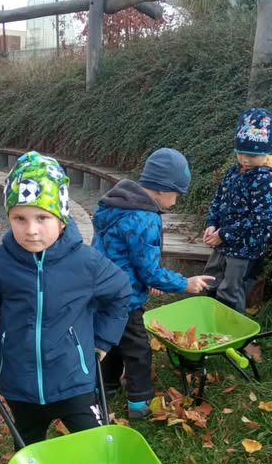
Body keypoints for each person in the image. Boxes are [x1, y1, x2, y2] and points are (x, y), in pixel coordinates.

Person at [0, 151, 132, 445]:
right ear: (9, 217)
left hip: (74, 379)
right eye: (19, 218)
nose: (31, 230)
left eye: (42, 217)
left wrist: (103, 338)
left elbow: (120, 292)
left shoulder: (86, 263)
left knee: (95, 444)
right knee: (28, 448)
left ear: (62, 219)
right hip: (20, 382)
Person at [91, 148, 215, 420]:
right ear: (162, 188)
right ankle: (139, 402)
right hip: (125, 300)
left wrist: (146, 278)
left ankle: (106, 386)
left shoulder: (115, 205)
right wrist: (185, 283)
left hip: (100, 290)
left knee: (109, 340)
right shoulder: (145, 218)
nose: (176, 200)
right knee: (138, 350)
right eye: (177, 194)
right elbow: (149, 271)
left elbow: (118, 254)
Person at [203, 107, 272, 313]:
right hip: (221, 241)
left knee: (230, 291)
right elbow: (218, 199)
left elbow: (260, 218)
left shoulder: (267, 180)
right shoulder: (234, 171)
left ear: (267, 153)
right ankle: (207, 319)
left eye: (252, 155)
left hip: (244, 248)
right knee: (210, 280)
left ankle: (231, 329)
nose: (245, 159)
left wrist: (224, 234)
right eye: (240, 153)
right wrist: (211, 223)